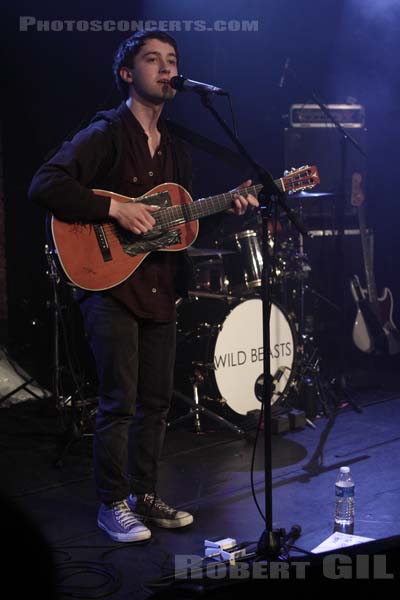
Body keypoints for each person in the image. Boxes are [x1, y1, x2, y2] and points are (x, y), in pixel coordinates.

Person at [29, 30, 259, 543]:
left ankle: (143, 493)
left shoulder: (177, 149)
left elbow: (180, 229)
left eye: (172, 60)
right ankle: (112, 503)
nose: (165, 68)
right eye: (152, 60)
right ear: (127, 74)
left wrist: (229, 208)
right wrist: (113, 207)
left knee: (155, 402)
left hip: (158, 286)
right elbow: (45, 183)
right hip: (108, 286)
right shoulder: (106, 133)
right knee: (119, 401)